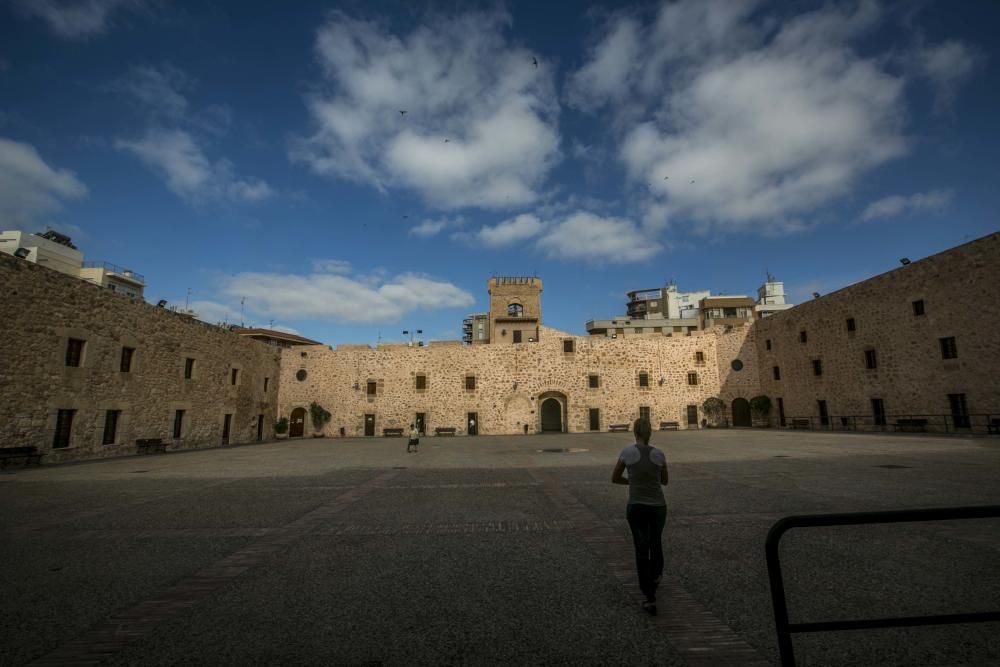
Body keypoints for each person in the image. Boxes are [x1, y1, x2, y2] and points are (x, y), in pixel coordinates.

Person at [612, 417, 669, 615]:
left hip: (636, 506)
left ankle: (649, 596)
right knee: (656, 542)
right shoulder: (659, 454)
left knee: (641, 548)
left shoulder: (627, 452)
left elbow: (615, 478)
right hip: (658, 506)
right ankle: (655, 576)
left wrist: (633, 482)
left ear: (634, 432)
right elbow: (665, 481)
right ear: (650, 432)